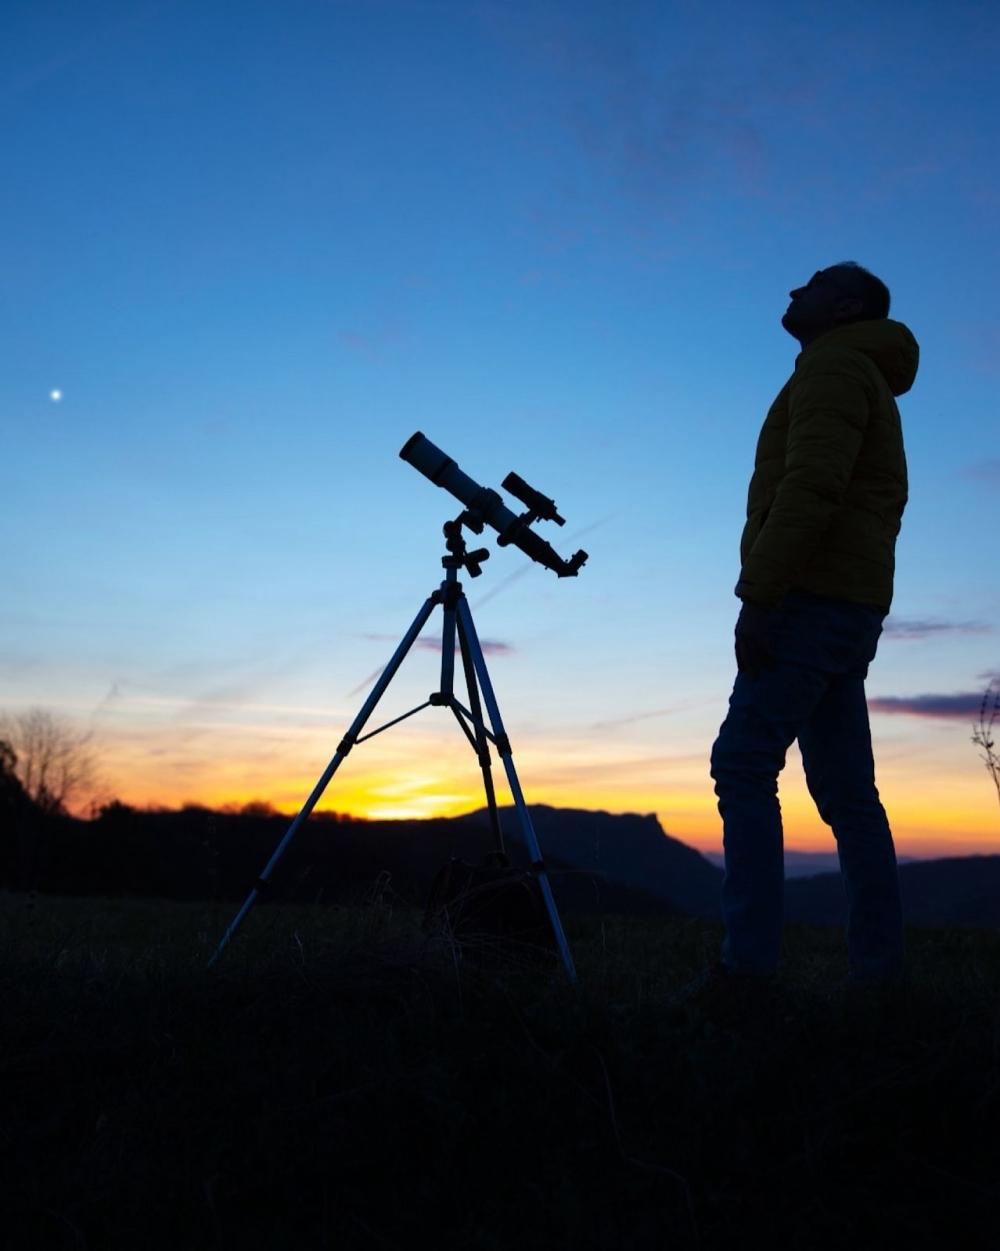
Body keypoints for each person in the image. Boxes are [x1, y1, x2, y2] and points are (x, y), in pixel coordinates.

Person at [709, 261, 920, 987]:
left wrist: (760, 593)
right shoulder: (857, 374)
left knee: (742, 764)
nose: (794, 290)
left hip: (809, 598)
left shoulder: (833, 370)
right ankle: (880, 972)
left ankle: (749, 972)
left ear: (847, 306)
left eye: (813, 283)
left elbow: (813, 485)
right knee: (847, 793)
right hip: (849, 603)